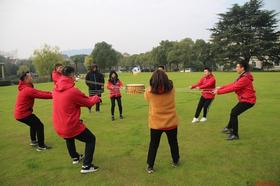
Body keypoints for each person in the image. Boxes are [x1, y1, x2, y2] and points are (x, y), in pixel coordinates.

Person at [52, 66, 101, 173]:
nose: (75, 77)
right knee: (91, 139)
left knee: (69, 137)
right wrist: (96, 98)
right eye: (74, 74)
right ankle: (86, 166)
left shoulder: (55, 89)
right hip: (70, 125)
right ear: (70, 75)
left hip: (59, 125)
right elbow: (88, 102)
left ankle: (75, 157)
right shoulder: (72, 91)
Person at [144, 70, 180, 174]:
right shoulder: (171, 89)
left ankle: (150, 166)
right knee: (173, 142)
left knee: (153, 145)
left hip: (156, 124)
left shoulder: (149, 91)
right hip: (171, 122)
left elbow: (146, 98)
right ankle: (175, 160)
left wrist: (149, 89)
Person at [213, 62, 256, 140]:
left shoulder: (244, 78)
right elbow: (233, 84)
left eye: (237, 67)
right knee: (233, 112)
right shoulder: (243, 76)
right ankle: (229, 128)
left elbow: (234, 88)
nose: (236, 68)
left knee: (234, 113)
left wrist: (219, 92)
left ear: (242, 68)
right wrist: (220, 88)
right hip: (244, 99)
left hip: (248, 100)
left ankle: (235, 135)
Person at [14, 71, 52, 151]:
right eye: (30, 76)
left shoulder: (26, 87)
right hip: (23, 114)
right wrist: (55, 95)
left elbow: (39, 92)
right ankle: (41, 146)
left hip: (22, 113)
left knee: (34, 124)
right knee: (39, 125)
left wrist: (51, 93)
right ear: (26, 79)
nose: (32, 77)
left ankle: (33, 141)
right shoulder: (27, 89)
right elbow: (41, 95)